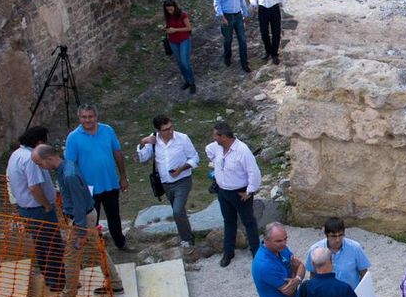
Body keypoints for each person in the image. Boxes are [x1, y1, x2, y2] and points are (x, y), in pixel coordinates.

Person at [33, 145, 124, 297]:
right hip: (86, 218)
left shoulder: (68, 176)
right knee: (98, 251)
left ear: (49, 159)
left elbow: (79, 205)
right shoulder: (67, 167)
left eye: (40, 163)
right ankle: (115, 283)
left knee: (70, 259)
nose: (40, 167)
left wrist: (80, 232)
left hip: (80, 221)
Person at [64, 104, 131, 252]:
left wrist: (123, 177)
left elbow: (118, 153)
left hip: (110, 183)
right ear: (79, 117)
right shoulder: (73, 138)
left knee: (114, 216)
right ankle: (95, 250)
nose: (87, 120)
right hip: (88, 189)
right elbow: (70, 165)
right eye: (84, 117)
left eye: (90, 116)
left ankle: (121, 243)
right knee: (91, 221)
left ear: (96, 116)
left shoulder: (107, 130)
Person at [7, 126, 64, 291]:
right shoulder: (31, 159)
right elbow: (34, 187)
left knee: (41, 245)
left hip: (26, 208)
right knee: (52, 244)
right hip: (39, 209)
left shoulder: (16, 154)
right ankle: (58, 282)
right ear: (39, 142)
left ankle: (50, 278)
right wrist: (47, 204)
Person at [136, 115, 200, 249]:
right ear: (158, 130)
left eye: (171, 127)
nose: (170, 131)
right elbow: (143, 159)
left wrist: (181, 169)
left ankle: (187, 240)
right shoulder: (153, 140)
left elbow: (195, 158)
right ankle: (187, 235)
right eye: (165, 130)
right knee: (179, 211)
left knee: (177, 211)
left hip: (183, 180)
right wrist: (143, 142)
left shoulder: (183, 138)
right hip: (165, 183)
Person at [206, 122, 261, 267]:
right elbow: (209, 151)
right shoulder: (216, 148)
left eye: (215, 135)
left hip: (239, 193)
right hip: (223, 191)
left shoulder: (242, 150)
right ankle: (228, 252)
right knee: (228, 222)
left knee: (248, 222)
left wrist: (249, 191)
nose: (213, 138)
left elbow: (253, 172)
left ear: (223, 136)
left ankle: (256, 251)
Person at [213, 0, 250, 73]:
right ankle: (227, 57)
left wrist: (245, 14)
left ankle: (244, 63)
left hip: (238, 16)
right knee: (228, 39)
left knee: (242, 40)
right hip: (227, 17)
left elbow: (242, 0)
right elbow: (217, 3)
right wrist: (222, 17)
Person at [250, 0, 286, 66]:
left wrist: (285, 6)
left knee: (276, 32)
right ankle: (268, 51)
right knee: (264, 32)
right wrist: (254, 4)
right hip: (262, 9)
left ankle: (274, 53)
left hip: (274, 8)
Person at [161, 0, 196, 94]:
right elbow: (169, 26)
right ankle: (187, 81)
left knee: (185, 62)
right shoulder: (167, 16)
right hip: (173, 41)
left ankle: (192, 83)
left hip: (184, 40)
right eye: (168, 10)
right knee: (180, 63)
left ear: (175, 7)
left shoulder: (182, 15)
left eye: (171, 9)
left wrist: (175, 30)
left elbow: (189, 28)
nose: (170, 11)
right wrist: (166, 29)